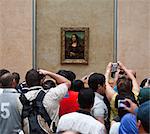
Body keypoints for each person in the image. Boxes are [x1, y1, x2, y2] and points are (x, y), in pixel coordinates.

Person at [22, 69, 71, 133]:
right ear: (42, 81)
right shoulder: (52, 95)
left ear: (26, 82)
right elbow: (67, 83)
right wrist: (48, 73)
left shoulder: (21, 98)